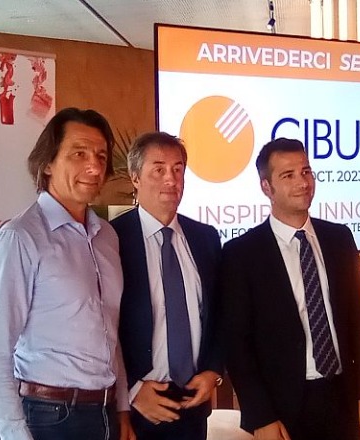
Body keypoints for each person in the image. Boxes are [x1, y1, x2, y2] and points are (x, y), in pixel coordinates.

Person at [0, 107, 133, 440]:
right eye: (79, 154)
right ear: (47, 163)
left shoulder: (107, 236)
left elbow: (109, 330)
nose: (94, 167)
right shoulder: (20, 238)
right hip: (50, 417)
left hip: (104, 413)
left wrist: (121, 409)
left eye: (101, 156)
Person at [221, 138, 360, 440]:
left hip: (342, 396)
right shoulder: (241, 253)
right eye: (288, 175)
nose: (303, 182)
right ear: (266, 187)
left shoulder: (339, 238)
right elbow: (237, 344)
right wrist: (260, 415)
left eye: (306, 171)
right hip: (282, 406)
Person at [111, 132, 223, 440]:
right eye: (158, 169)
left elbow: (220, 314)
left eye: (177, 169)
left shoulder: (205, 238)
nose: (171, 179)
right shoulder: (111, 239)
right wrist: (131, 391)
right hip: (138, 407)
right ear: (135, 178)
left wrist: (213, 371)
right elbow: (101, 327)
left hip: (193, 401)